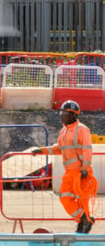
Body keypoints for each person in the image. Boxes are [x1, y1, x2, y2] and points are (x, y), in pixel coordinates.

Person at [33, 100, 97, 233]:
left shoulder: (82, 129)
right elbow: (59, 148)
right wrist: (42, 150)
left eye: (65, 113)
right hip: (69, 172)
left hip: (80, 172)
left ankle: (83, 226)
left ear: (74, 115)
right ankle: (83, 219)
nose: (61, 115)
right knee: (64, 197)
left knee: (82, 201)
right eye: (61, 112)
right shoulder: (63, 131)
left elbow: (87, 150)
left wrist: (85, 169)